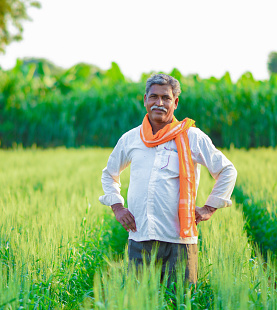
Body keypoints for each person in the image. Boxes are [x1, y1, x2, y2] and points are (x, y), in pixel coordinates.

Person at [99, 73, 237, 286]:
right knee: (141, 306)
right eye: (153, 97)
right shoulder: (131, 139)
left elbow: (227, 170)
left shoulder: (192, 137)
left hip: (179, 241)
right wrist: (117, 207)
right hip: (141, 237)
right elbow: (109, 174)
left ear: (176, 102)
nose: (159, 103)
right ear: (145, 100)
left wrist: (209, 208)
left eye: (166, 98)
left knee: (181, 305)